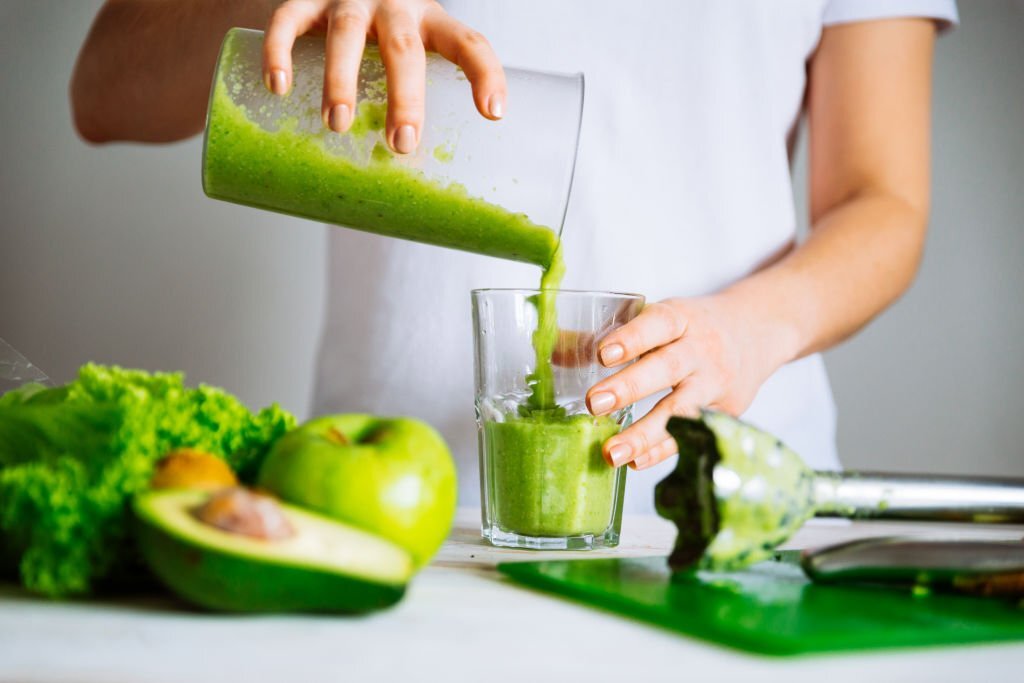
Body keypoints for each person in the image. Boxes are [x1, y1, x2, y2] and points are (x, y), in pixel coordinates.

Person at [71, 0, 958, 512]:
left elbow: (883, 201)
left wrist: (747, 332)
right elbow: (104, 90)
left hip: (724, 497)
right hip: (383, 504)